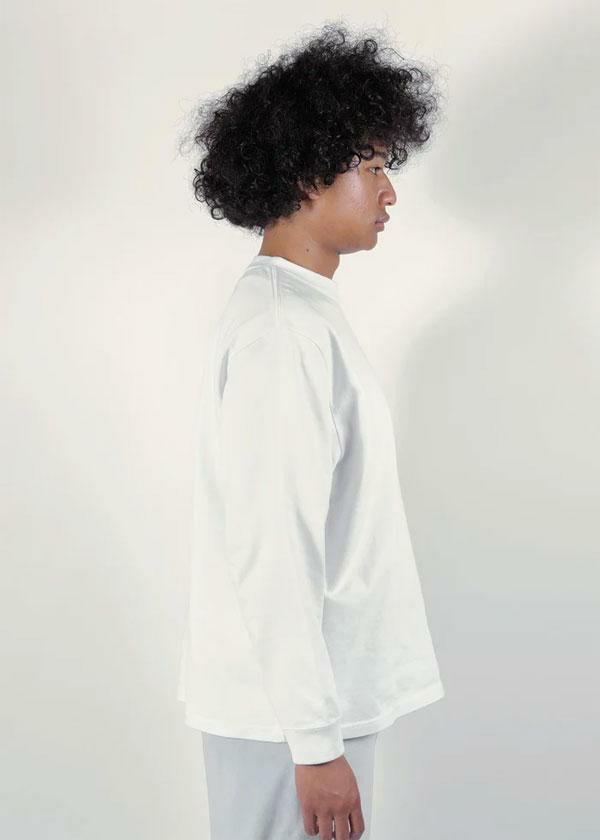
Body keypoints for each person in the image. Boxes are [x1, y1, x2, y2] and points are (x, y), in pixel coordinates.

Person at [176, 21, 445, 840]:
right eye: (372, 167)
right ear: (305, 172)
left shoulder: (299, 313)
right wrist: (316, 743)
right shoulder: (282, 330)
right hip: (287, 726)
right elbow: (272, 541)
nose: (389, 193)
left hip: (303, 713)